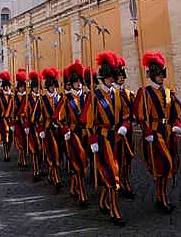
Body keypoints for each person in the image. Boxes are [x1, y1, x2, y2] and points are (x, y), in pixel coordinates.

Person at [81, 51, 131, 226]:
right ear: (102, 78)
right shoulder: (93, 96)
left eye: (112, 77)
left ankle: (104, 201)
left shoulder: (118, 95)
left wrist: (125, 126)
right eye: (108, 77)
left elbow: (126, 115)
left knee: (112, 171)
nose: (111, 80)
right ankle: (114, 210)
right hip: (102, 139)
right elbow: (87, 123)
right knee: (112, 173)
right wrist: (92, 140)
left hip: (116, 137)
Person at [134, 51, 181, 214]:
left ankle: (160, 196)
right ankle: (162, 198)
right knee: (164, 165)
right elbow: (139, 115)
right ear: (152, 76)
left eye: (162, 75)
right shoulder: (145, 93)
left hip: (168, 132)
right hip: (155, 133)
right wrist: (147, 131)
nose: (161, 78)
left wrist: (177, 123)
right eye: (158, 76)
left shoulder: (169, 92)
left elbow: (178, 112)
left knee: (167, 166)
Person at [54, 59, 89, 207]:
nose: (78, 84)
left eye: (80, 81)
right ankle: (82, 193)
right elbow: (59, 118)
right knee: (77, 163)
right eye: (75, 82)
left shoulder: (87, 97)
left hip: (86, 134)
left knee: (84, 162)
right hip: (73, 134)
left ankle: (75, 187)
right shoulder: (66, 99)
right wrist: (65, 130)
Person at [114, 56, 135, 200]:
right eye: (119, 77)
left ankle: (126, 180)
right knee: (118, 158)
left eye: (122, 77)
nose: (121, 79)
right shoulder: (112, 94)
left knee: (128, 158)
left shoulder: (127, 93)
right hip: (116, 130)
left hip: (128, 130)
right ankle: (119, 182)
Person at [39, 67, 63, 191]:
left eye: (54, 86)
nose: (53, 88)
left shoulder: (59, 98)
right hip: (48, 129)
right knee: (53, 153)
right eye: (51, 86)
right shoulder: (42, 99)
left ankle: (50, 174)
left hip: (58, 129)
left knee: (60, 152)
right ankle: (56, 177)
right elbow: (38, 116)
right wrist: (41, 129)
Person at [26, 70, 45, 181]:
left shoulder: (42, 98)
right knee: (34, 150)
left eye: (38, 87)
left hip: (42, 127)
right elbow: (26, 112)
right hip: (33, 127)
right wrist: (26, 125)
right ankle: (35, 171)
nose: (37, 89)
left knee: (42, 150)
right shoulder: (28, 99)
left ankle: (41, 169)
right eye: (35, 87)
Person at [0, 71, 15, 162]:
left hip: (11, 118)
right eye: (5, 86)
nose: (7, 87)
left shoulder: (13, 96)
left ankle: (8, 151)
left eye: (8, 86)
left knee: (11, 138)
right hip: (3, 119)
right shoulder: (0, 96)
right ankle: (6, 154)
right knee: (5, 137)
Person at [13, 69, 29, 170]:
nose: (22, 89)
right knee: (21, 142)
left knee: (26, 143)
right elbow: (12, 111)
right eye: (21, 87)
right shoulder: (14, 98)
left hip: (26, 122)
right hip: (18, 122)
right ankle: (22, 161)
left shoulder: (27, 97)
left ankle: (21, 159)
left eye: (23, 87)